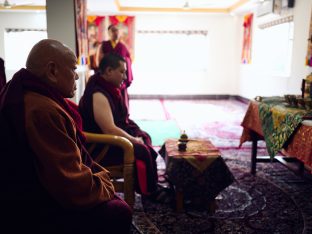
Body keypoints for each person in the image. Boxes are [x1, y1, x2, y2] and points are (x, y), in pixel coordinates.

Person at [0, 39, 132, 233]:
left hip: (37, 190)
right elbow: (71, 186)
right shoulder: (43, 111)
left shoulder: (32, 96)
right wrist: (106, 183)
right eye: (72, 69)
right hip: (35, 206)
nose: (77, 78)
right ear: (53, 71)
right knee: (120, 211)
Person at [79, 53, 159, 198]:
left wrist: (136, 134)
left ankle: (149, 184)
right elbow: (109, 129)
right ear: (109, 71)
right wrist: (133, 140)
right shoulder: (98, 94)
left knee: (144, 137)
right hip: (101, 147)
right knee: (141, 149)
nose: (124, 76)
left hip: (108, 139)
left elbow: (120, 120)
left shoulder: (106, 87)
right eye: (122, 72)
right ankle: (150, 191)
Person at [96, 24, 133, 110]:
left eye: (117, 31)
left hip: (119, 79)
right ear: (109, 33)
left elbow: (129, 60)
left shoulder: (123, 46)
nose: (115, 33)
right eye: (113, 31)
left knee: (120, 102)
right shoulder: (104, 45)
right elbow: (99, 61)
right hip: (108, 77)